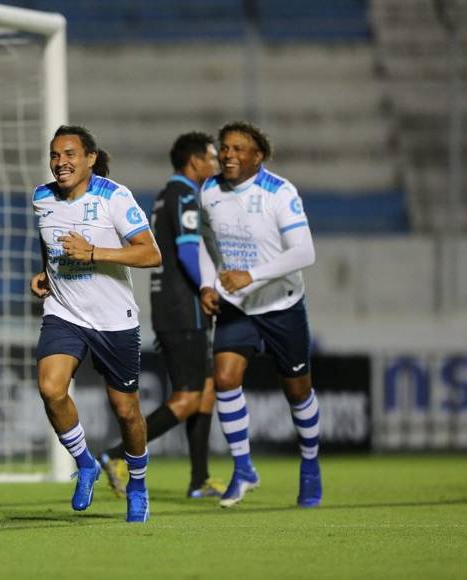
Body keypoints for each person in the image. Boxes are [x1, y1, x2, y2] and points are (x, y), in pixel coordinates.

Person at [30, 125, 162, 523]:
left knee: (126, 412)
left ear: (89, 158)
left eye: (69, 154)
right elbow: (48, 242)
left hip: (113, 319)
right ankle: (85, 463)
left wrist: (94, 253)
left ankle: (137, 484)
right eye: (55, 155)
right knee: (50, 389)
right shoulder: (42, 197)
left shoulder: (114, 196)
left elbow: (150, 254)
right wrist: (45, 272)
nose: (60, 162)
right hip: (65, 313)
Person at [198, 121, 321, 508]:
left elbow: (305, 252)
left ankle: (310, 465)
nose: (229, 154)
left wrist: (250, 276)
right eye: (225, 148)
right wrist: (206, 283)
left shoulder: (279, 192)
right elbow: (204, 239)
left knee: (297, 390)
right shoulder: (210, 190)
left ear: (258, 156)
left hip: (282, 304)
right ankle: (244, 467)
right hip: (238, 306)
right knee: (224, 378)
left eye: (238, 149)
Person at [99, 132, 226, 500]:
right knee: (188, 396)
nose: (215, 164)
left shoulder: (167, 195)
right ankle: (117, 455)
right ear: (194, 161)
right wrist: (205, 287)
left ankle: (199, 479)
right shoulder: (184, 193)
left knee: (206, 393)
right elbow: (188, 251)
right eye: (211, 157)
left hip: (174, 304)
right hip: (183, 306)